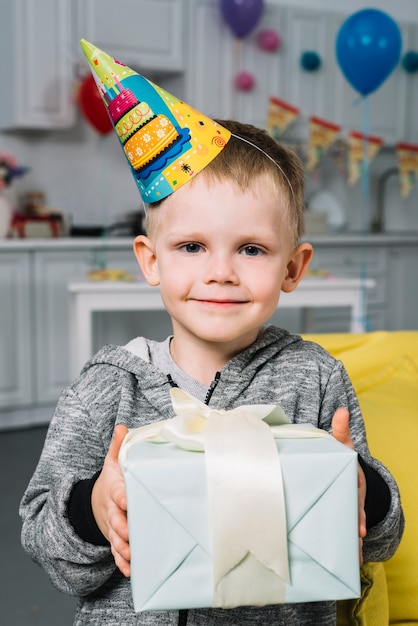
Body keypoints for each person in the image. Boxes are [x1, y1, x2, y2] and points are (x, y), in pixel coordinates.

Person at [20, 42, 404, 626]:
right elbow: (48, 545)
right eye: (192, 246)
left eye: (251, 249)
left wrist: (364, 496)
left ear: (293, 268)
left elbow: (379, 541)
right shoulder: (109, 389)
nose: (220, 271)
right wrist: (93, 511)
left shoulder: (317, 378)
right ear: (151, 261)